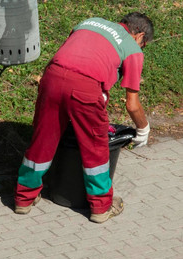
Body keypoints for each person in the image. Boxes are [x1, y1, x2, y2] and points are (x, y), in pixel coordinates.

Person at [14, 12, 154, 223]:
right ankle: (100, 208)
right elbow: (132, 104)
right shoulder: (133, 49)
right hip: (85, 87)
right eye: (144, 44)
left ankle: (24, 198)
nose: (141, 48)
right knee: (95, 148)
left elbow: (73, 55)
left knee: (42, 140)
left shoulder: (90, 22)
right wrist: (143, 129)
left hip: (52, 76)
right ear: (139, 35)